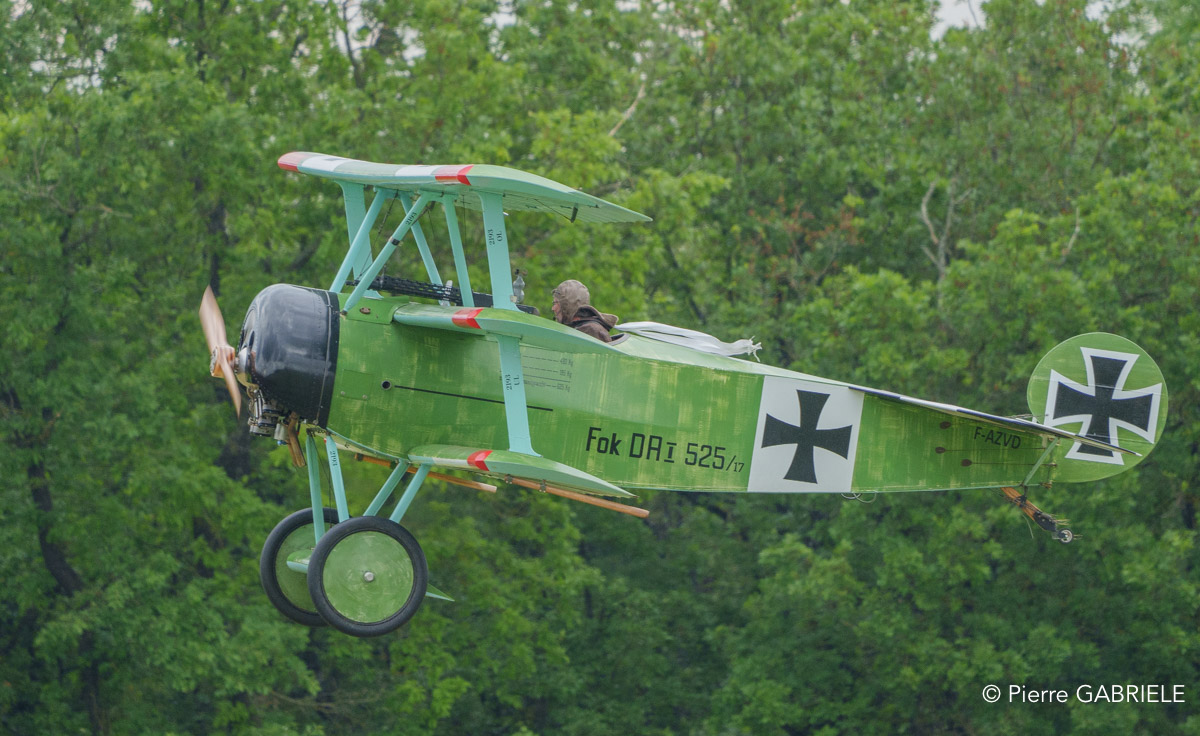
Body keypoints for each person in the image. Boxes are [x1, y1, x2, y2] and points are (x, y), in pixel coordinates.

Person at [551, 280, 618, 342]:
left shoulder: (589, 331)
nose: (553, 308)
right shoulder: (581, 328)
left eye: (556, 303)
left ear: (567, 305)